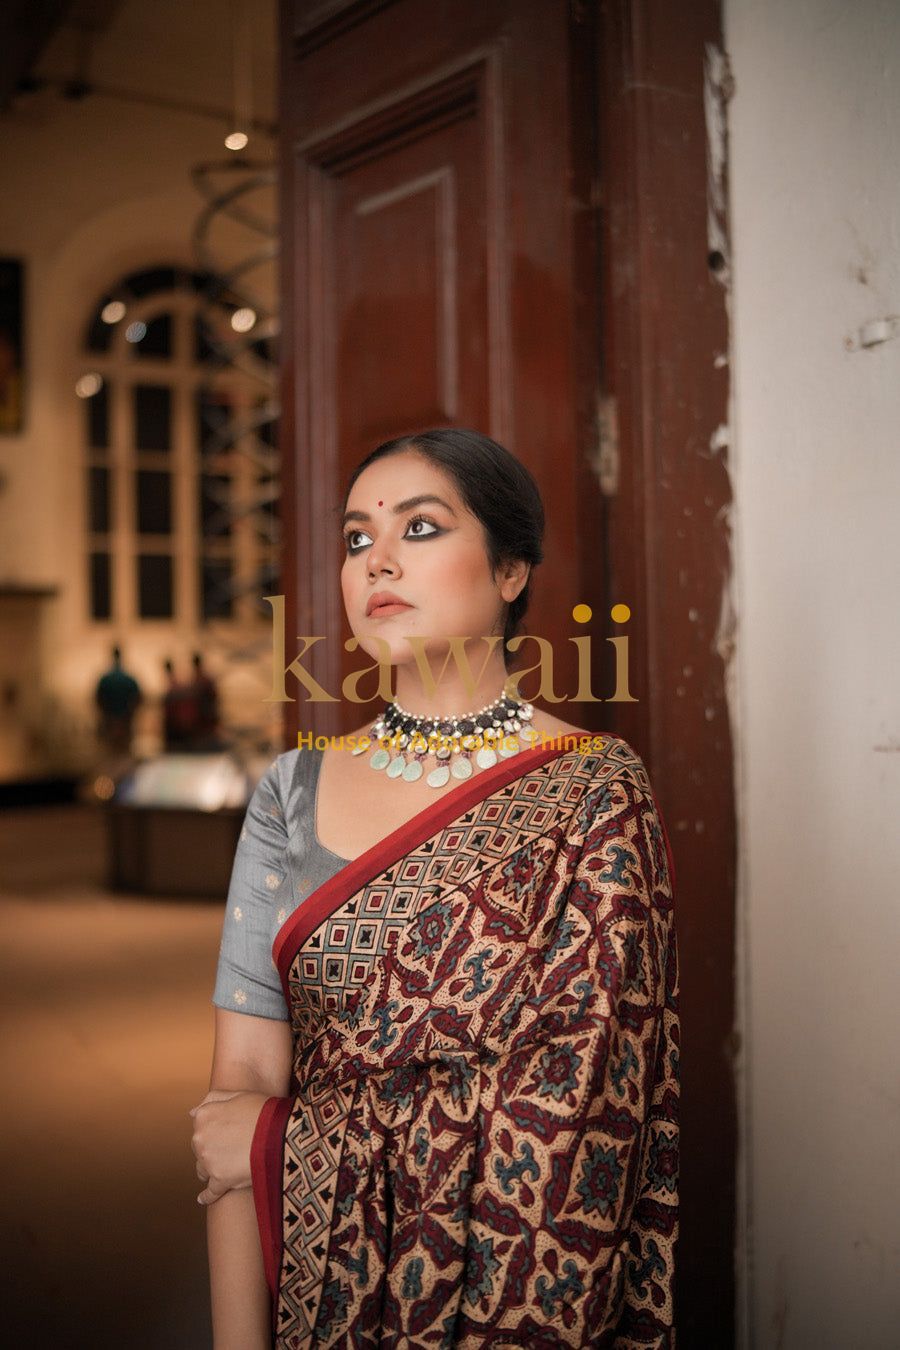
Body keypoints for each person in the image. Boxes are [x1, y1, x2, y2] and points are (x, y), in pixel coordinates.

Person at [190, 428, 679, 1348]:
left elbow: (578, 1122)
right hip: (319, 1305)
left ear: (510, 571)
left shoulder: (593, 793)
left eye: (419, 528)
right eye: (355, 538)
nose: (376, 557)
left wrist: (282, 1144)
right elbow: (238, 1097)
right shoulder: (291, 792)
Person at [94, 644, 142, 755]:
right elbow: (138, 699)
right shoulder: (129, 678)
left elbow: (98, 699)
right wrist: (128, 714)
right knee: (124, 753)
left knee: (111, 754)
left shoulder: (105, 679)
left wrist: (110, 715)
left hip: (111, 720)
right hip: (125, 720)